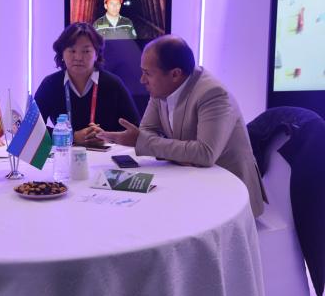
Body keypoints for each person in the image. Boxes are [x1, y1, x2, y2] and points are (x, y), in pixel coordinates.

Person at [98, 35, 267, 216]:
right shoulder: (161, 89)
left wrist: (143, 142)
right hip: (193, 182)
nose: (142, 80)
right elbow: (147, 131)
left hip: (230, 194)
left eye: (148, 73)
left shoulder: (213, 93)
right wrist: (176, 151)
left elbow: (205, 153)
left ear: (175, 74)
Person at [34, 22, 140, 147]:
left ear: (96, 54)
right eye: (72, 51)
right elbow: (32, 130)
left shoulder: (113, 84)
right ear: (62, 53)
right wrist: (72, 137)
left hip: (106, 156)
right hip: (65, 154)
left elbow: (134, 131)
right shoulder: (50, 84)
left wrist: (107, 136)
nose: (78, 57)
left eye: (86, 51)